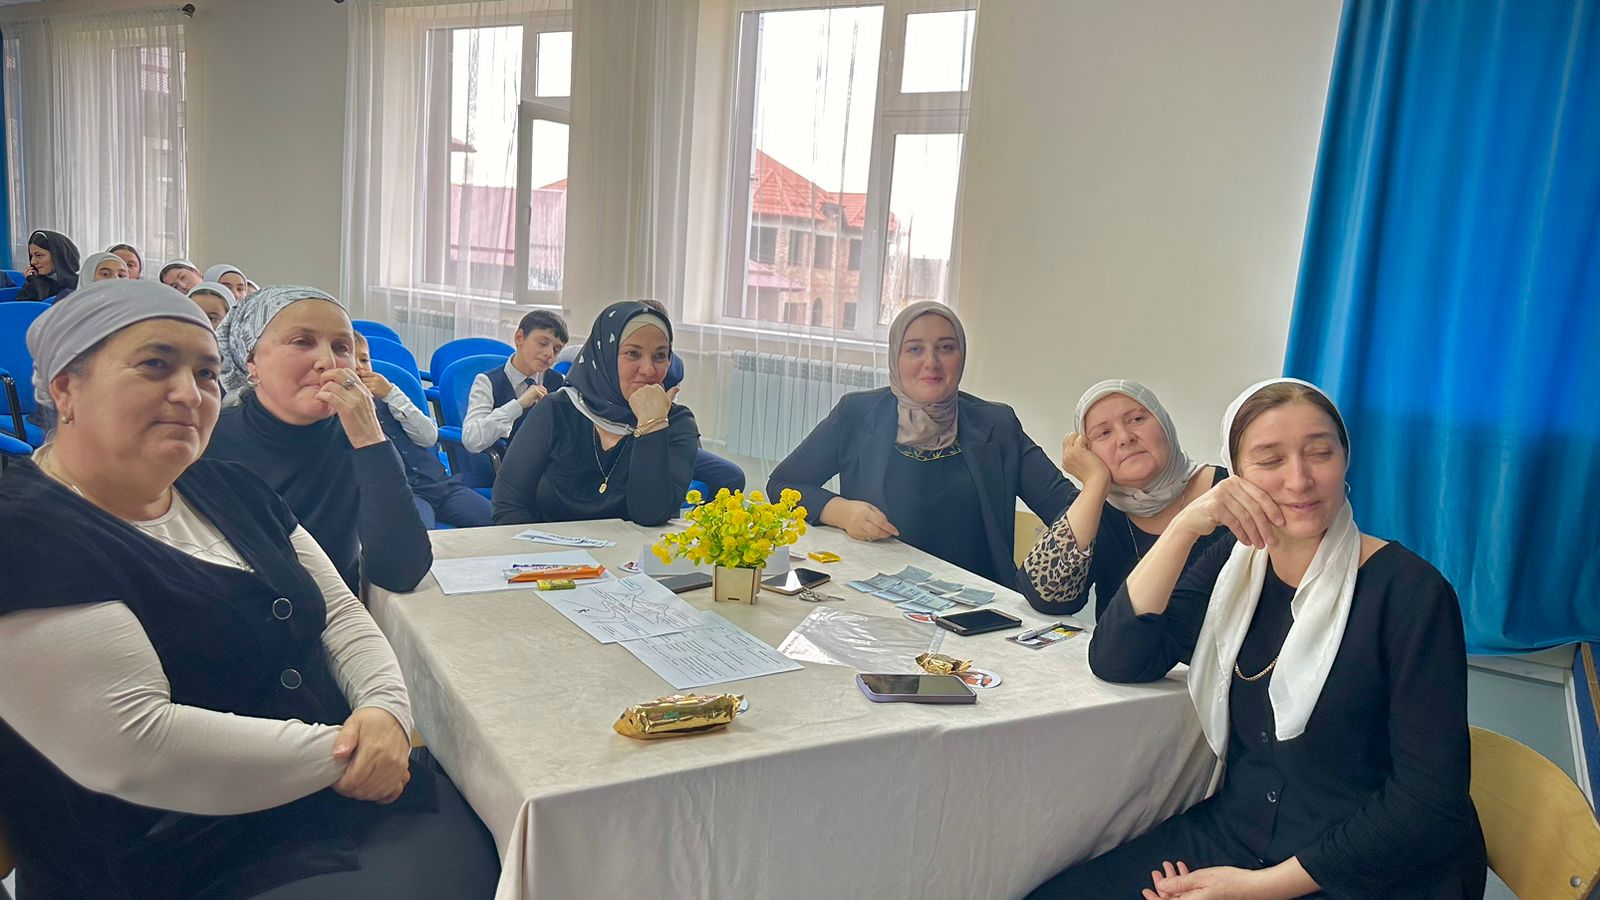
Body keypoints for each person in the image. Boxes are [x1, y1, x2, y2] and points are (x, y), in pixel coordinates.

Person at [0, 279, 499, 899]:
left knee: (504, 838)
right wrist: (355, 753)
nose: (189, 393)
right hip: (174, 854)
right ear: (65, 388)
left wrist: (385, 712)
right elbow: (137, 744)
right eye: (155, 365)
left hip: (322, 801)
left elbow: (342, 613)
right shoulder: (23, 529)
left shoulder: (229, 487)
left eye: (206, 373)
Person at [1028, 379, 1486, 900]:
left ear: (1345, 460)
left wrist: (1257, 888)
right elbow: (1118, 659)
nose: (1299, 479)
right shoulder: (1234, 565)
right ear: (1237, 475)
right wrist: (1186, 526)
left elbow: (1428, 806)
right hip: (1241, 834)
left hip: (1367, 870)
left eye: (1320, 453)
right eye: (1270, 460)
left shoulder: (1410, 592)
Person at [768, 301, 1072, 588]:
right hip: (875, 588)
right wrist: (841, 512)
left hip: (975, 601)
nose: (931, 363)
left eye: (946, 347)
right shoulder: (857, 414)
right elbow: (783, 484)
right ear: (895, 357)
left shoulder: (998, 425)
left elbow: (1067, 509)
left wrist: (1095, 479)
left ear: (962, 355)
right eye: (915, 349)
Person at [205, 285, 433, 593]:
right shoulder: (209, 438)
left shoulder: (360, 434)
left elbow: (400, 573)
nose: (328, 361)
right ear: (252, 361)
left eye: (341, 347)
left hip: (336, 613)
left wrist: (370, 441)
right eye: (302, 342)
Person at [1021, 380, 1229, 619]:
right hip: (1124, 645)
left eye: (1137, 419)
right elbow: (1047, 596)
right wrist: (1096, 483)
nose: (1124, 437)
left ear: (1164, 423)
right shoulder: (1098, 506)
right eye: (1104, 433)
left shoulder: (1227, 491)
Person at [491, 300, 699, 526]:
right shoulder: (556, 409)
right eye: (633, 353)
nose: (649, 369)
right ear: (604, 356)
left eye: (660, 356)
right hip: (545, 546)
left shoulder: (677, 423)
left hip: (633, 549)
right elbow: (509, 503)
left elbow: (650, 514)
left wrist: (652, 423)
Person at [354, 332, 492, 529]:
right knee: (420, 535)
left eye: (364, 360)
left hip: (439, 484)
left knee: (500, 524)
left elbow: (429, 437)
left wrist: (391, 394)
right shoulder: (333, 412)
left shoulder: (389, 397)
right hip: (403, 492)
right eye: (351, 359)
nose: (359, 367)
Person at [638, 298, 747, 496]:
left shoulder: (674, 367)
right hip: (635, 442)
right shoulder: (617, 366)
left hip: (668, 438)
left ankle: (706, 516)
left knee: (732, 476)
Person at [461, 309, 567, 456]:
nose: (549, 354)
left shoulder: (559, 382)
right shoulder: (487, 382)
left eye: (556, 350)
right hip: (506, 465)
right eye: (543, 343)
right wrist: (519, 405)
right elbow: (472, 440)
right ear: (519, 338)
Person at [17, 229, 80, 302]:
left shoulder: (81, 283)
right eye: (31, 256)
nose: (32, 262)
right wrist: (36, 283)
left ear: (57, 256)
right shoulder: (32, 286)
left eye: (39, 255)